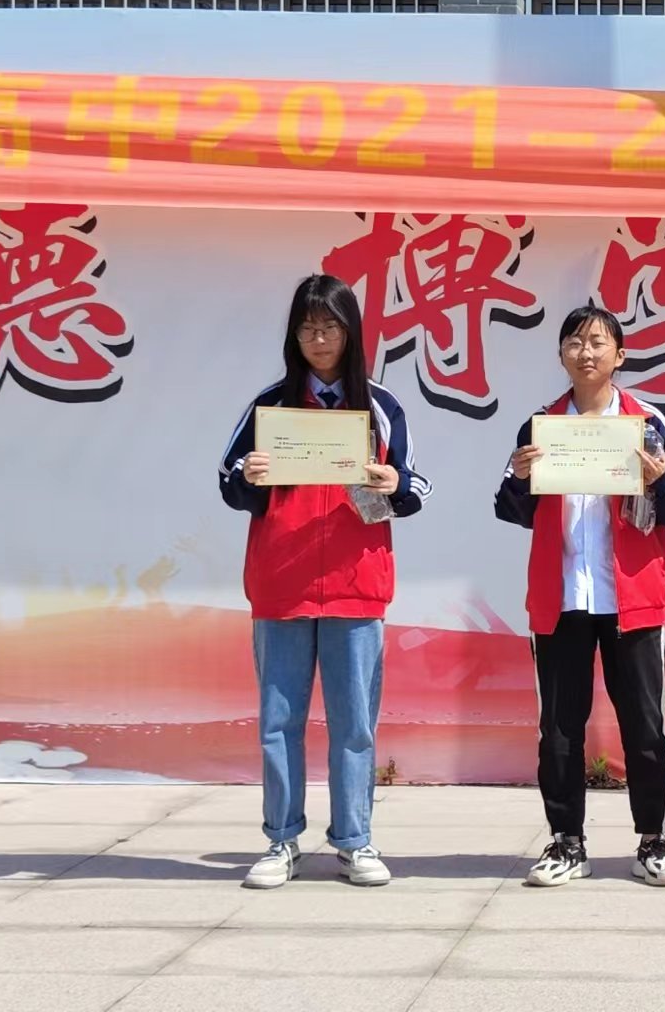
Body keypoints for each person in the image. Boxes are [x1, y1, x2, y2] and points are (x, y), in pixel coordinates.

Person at [218, 274, 427, 889]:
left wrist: (394, 485)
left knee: (354, 724)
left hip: (355, 583)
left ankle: (354, 841)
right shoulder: (272, 406)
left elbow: (414, 486)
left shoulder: (381, 407)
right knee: (279, 722)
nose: (318, 338)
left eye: (329, 326)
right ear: (294, 335)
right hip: (281, 582)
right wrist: (250, 477)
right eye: (307, 327)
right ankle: (281, 841)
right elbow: (229, 481)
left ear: (351, 332)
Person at [493, 304, 665, 888]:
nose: (586, 353)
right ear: (561, 354)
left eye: (597, 342)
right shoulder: (540, 426)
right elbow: (510, 509)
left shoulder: (647, 422)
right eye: (575, 343)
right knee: (559, 729)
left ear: (620, 355)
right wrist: (520, 477)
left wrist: (659, 478)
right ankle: (566, 842)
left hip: (633, 598)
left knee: (646, 726)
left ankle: (653, 840)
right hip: (560, 598)